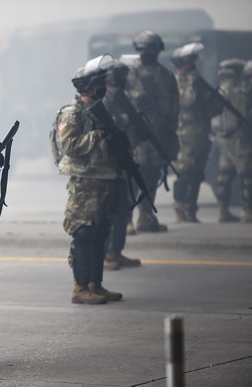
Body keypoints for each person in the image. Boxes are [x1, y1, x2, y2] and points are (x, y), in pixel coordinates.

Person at [54, 55, 123, 304]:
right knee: (84, 233)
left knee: (101, 232)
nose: (105, 86)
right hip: (85, 183)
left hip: (105, 180)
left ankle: (96, 284)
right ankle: (80, 288)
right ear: (90, 86)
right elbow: (70, 146)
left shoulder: (98, 110)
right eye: (101, 82)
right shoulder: (72, 113)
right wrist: (98, 136)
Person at [125, 30, 180, 232]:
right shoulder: (130, 76)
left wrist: (170, 133)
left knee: (151, 178)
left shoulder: (167, 76)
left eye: (151, 49)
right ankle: (127, 219)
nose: (147, 52)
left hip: (158, 136)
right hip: (135, 137)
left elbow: (175, 106)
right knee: (132, 177)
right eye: (144, 49)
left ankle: (145, 217)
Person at [170, 43, 224, 223]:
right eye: (188, 64)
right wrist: (193, 84)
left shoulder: (199, 82)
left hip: (201, 133)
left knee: (198, 173)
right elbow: (187, 101)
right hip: (184, 134)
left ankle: (191, 208)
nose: (192, 67)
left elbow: (214, 107)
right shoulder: (177, 83)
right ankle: (180, 209)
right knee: (183, 172)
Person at [102, 59, 142, 270]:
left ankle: (116, 251)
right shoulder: (105, 101)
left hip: (123, 162)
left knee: (122, 209)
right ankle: (107, 254)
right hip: (109, 166)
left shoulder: (119, 99)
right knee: (109, 212)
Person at [213, 58, 252, 223]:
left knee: (224, 175)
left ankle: (222, 211)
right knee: (247, 175)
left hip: (222, 139)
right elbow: (244, 116)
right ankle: (247, 211)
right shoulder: (238, 94)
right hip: (239, 139)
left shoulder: (218, 92)